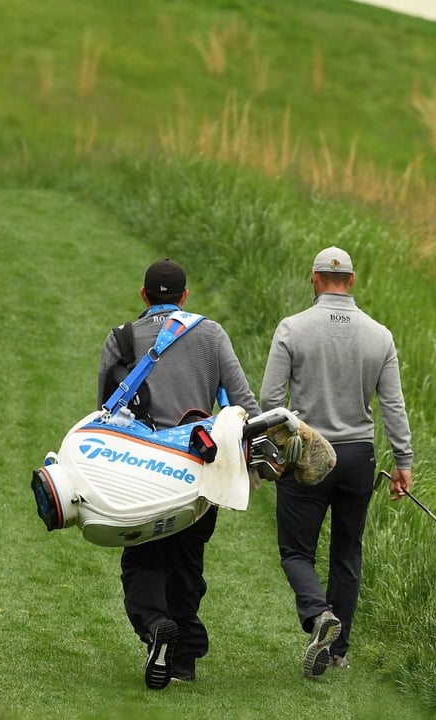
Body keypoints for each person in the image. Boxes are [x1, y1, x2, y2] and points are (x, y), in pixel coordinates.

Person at [96, 258, 262, 690]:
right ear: (185, 297)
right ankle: (184, 658)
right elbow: (242, 402)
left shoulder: (121, 339)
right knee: (188, 560)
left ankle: (155, 627)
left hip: (140, 468)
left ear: (143, 295)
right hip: (198, 467)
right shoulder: (210, 333)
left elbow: (105, 410)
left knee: (142, 558)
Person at [259, 246, 414, 678]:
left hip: (309, 453)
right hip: (358, 457)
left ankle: (317, 614)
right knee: (346, 554)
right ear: (352, 279)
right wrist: (403, 460)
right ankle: (338, 650)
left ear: (314, 278)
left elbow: (271, 402)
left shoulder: (292, 328)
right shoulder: (379, 335)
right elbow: (393, 406)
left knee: (295, 551)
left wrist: (276, 452)